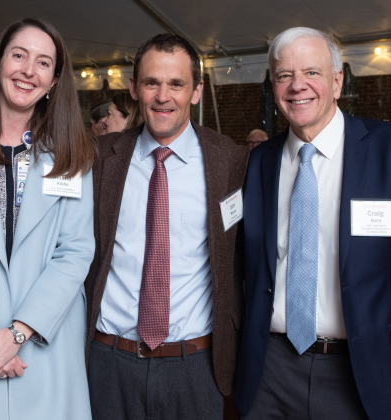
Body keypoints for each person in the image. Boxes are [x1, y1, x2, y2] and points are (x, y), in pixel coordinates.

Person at [85, 33, 249, 420]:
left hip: (195, 366)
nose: (163, 96)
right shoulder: (98, 161)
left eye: (176, 83)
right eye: (152, 83)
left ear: (196, 91)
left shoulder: (232, 162)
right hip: (109, 362)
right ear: (133, 89)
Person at [235, 26, 391, 420]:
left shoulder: (385, 150)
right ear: (273, 86)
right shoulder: (258, 162)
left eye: (312, 73)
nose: (296, 86)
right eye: (284, 75)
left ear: (337, 82)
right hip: (269, 371)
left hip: (361, 372)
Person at [0, 17, 96, 420]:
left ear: (55, 80)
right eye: (19, 55)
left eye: (44, 63)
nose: (29, 70)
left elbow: (75, 251)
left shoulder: (70, 154)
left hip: (44, 343)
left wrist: (16, 335)